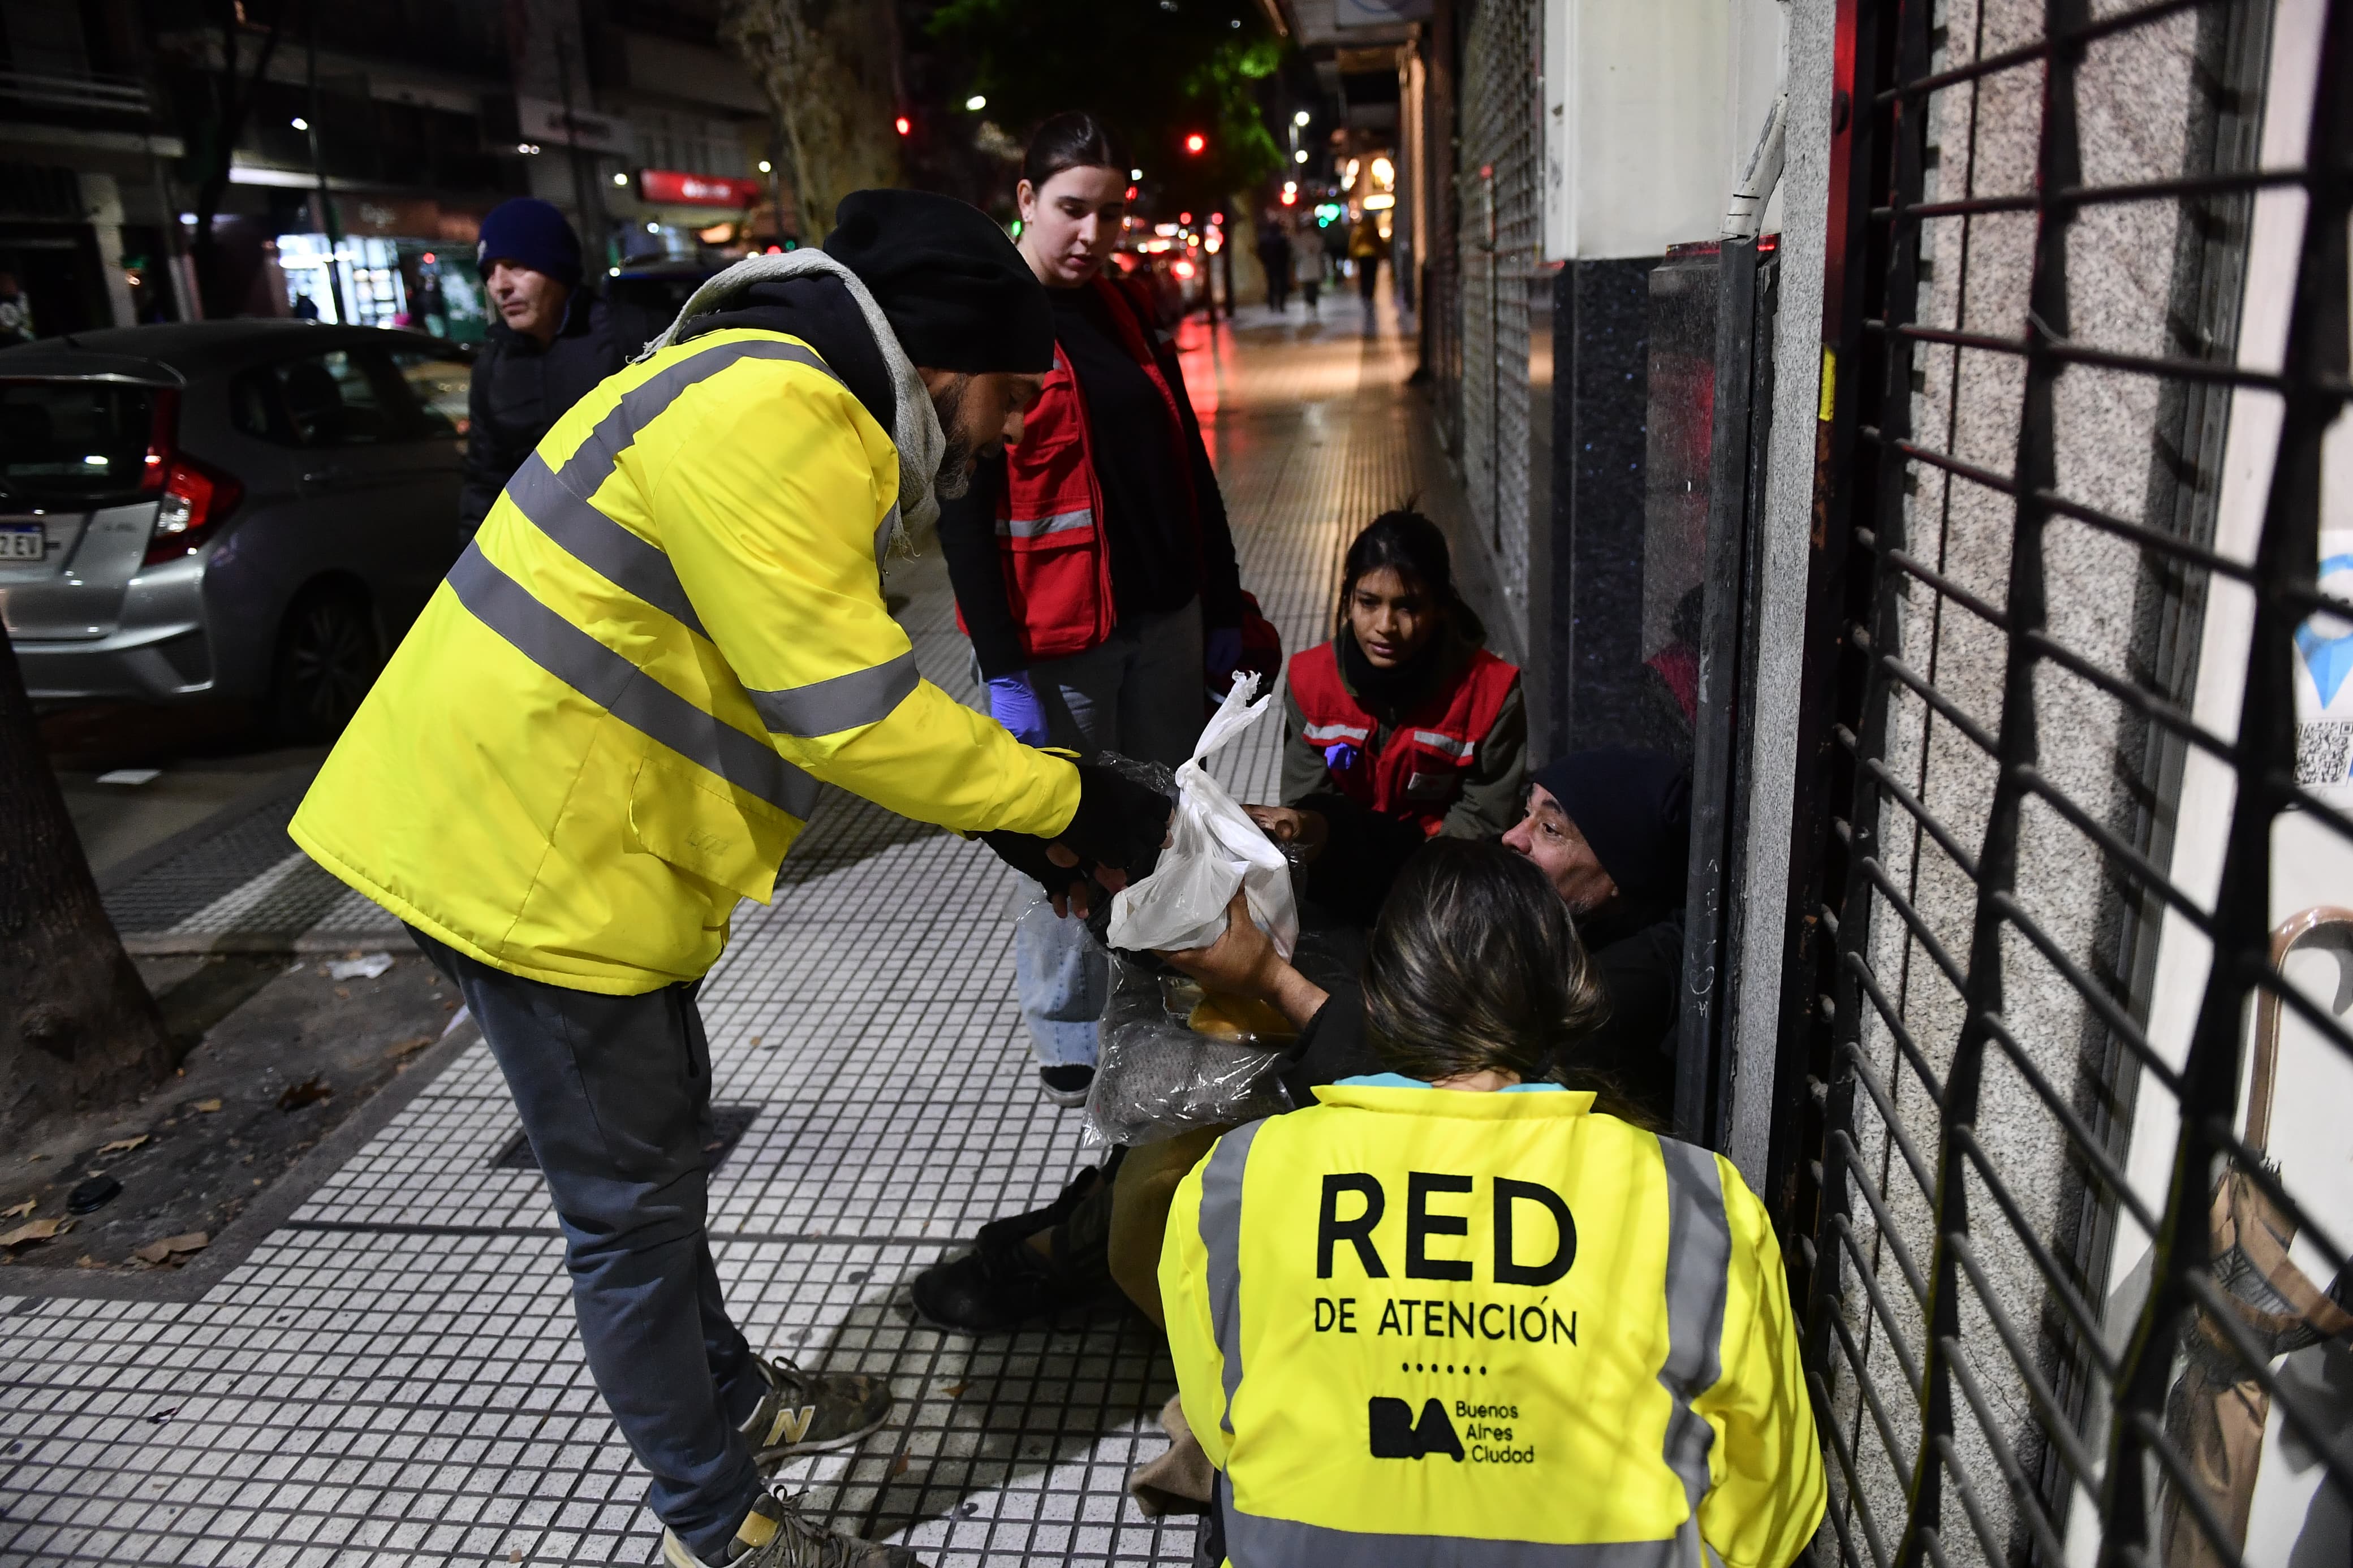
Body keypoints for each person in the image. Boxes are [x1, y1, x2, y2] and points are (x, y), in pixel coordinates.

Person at [289, 188, 1173, 1568]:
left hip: (568, 836)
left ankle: (741, 1404)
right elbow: (855, 713)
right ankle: (724, 1521)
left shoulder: (775, 387)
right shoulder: (779, 413)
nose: (1005, 432)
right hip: (522, 856)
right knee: (630, 1209)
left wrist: (1022, 826)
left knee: (664, 1142)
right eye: (1007, 395)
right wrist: (1074, 804)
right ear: (941, 364)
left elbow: (807, 677)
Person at [1160, 840, 1824, 1568]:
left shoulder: (1238, 1177)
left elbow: (1219, 1423)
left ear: (1377, 993)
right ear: (1565, 994)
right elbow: (1775, 1503)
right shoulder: (1698, 1199)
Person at [937, 110, 1249, 1108]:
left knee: (1161, 823)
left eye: (1107, 214)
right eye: (1071, 209)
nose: (1090, 234)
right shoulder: (988, 322)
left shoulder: (1122, 308)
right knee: (1063, 838)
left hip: (1162, 620)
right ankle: (1071, 1022)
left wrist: (1227, 602)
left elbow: (1185, 462)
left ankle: (1155, 986)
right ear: (1024, 200)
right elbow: (960, 507)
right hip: (1055, 646)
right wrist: (1006, 673)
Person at [1262, 509, 1525, 921]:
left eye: (1409, 606)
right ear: (1348, 598)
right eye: (1369, 602)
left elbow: (1484, 814)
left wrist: (1413, 888)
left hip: (1444, 880)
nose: (1385, 625)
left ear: (1441, 605)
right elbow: (1306, 799)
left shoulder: (1492, 692)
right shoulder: (1311, 681)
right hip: (1344, 865)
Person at [458, 197, 652, 541]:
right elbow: (485, 484)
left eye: (516, 265)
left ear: (559, 270)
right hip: (546, 569)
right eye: (489, 272)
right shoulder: (492, 369)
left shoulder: (630, 337)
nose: (500, 285)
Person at [1349, 212, 1388, 312]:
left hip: (1362, 256)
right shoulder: (1373, 230)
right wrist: (1384, 254)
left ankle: (1365, 292)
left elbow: (1353, 244)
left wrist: (1353, 256)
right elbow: (1379, 243)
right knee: (1372, 275)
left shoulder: (1359, 230)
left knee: (1364, 275)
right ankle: (1370, 292)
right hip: (1372, 255)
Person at [1256, 210, 1292, 312]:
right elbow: (1287, 252)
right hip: (1281, 266)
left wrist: (1265, 261)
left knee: (1271, 286)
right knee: (1281, 286)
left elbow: (1260, 252)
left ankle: (1272, 305)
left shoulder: (1264, 239)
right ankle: (1281, 305)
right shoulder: (1282, 239)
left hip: (1270, 265)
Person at [1292, 222, 1328, 314]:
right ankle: (1312, 303)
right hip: (1311, 264)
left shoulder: (1301, 237)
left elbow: (1297, 249)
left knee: (1308, 286)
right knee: (1313, 286)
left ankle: (1310, 303)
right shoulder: (1317, 237)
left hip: (1308, 264)